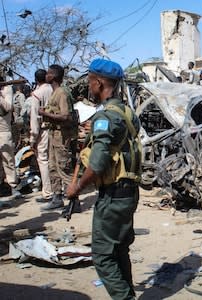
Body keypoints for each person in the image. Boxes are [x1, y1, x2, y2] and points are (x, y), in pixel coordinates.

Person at [66, 58, 141, 300]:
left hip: (113, 196)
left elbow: (97, 164)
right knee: (119, 250)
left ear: (98, 82)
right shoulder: (128, 113)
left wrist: (77, 187)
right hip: (129, 192)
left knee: (102, 255)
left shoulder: (106, 118)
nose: (89, 87)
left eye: (89, 81)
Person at [39, 64, 78, 210]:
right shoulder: (54, 92)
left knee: (64, 168)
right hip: (54, 134)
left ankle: (74, 201)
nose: (46, 76)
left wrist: (45, 114)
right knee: (53, 167)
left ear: (54, 76)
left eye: (48, 73)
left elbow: (65, 116)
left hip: (62, 136)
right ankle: (57, 198)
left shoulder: (61, 93)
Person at [30, 69, 54, 203]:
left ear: (36, 79)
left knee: (43, 160)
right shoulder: (54, 90)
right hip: (55, 130)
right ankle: (58, 189)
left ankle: (48, 192)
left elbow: (35, 118)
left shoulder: (37, 94)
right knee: (54, 160)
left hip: (43, 130)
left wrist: (33, 138)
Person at [0, 75, 20, 197]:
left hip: (3, 131)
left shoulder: (6, 91)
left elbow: (8, 107)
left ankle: (12, 185)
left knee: (8, 160)